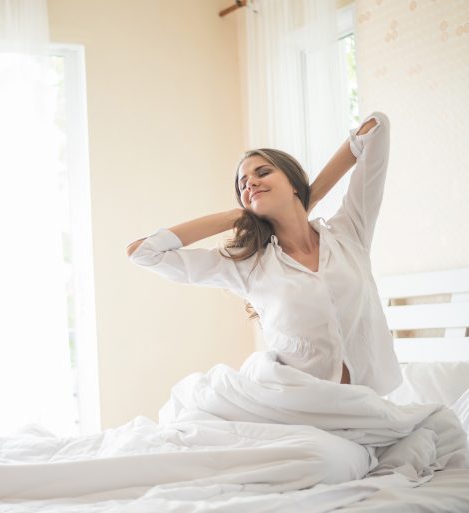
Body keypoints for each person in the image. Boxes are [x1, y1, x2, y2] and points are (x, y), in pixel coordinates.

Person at [126, 112, 402, 396]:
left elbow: (376, 128)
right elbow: (143, 253)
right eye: (242, 185)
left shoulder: (350, 233)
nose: (250, 184)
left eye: (262, 172)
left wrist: (311, 196)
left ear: (293, 183)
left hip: (372, 402)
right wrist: (232, 217)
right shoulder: (246, 265)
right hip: (300, 408)